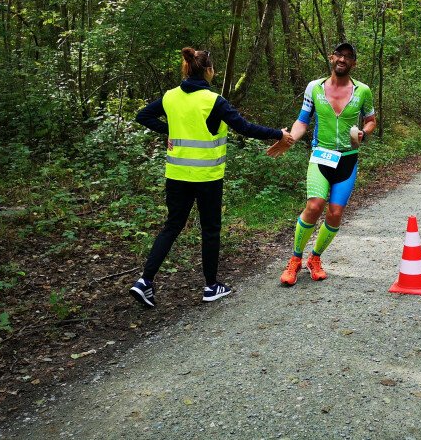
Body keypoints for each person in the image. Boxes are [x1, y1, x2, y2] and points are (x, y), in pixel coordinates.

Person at [129, 47, 294, 307]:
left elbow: (143, 115)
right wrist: (278, 134)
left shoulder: (170, 97)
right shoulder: (213, 100)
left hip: (176, 175)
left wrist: (169, 131)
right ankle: (210, 286)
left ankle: (144, 281)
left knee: (172, 227)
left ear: (186, 68)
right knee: (210, 230)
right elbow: (244, 128)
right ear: (208, 70)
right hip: (207, 176)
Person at [266, 42, 376, 286]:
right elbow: (303, 119)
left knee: (335, 213)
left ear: (353, 63)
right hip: (321, 157)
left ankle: (314, 258)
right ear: (331, 57)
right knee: (315, 205)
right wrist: (291, 138)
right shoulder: (314, 88)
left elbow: (371, 120)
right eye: (339, 54)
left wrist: (364, 134)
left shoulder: (363, 90)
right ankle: (294, 259)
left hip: (348, 159)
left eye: (348, 57)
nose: (342, 59)